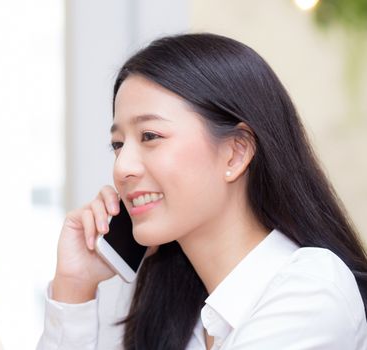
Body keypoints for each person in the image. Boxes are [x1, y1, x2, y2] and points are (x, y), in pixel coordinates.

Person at [37, 33, 367, 350]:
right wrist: (74, 285)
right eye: (118, 144)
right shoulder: (183, 319)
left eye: (150, 136)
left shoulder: (311, 291)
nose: (122, 167)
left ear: (235, 153)